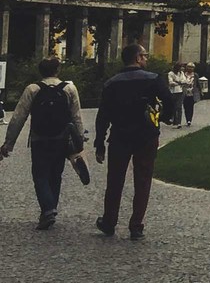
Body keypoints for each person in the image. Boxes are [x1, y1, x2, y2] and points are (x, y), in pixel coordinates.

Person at [94, 43, 175, 240]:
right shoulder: (153, 79)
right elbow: (170, 102)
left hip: (120, 136)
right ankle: (136, 225)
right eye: (145, 56)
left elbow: (103, 115)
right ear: (138, 58)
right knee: (143, 180)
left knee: (114, 181)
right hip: (146, 136)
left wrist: (99, 142)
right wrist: (162, 118)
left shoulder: (112, 83)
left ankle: (109, 222)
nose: (146, 59)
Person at [1, 57, 91, 230]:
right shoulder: (69, 88)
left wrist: (8, 143)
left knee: (40, 174)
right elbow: (76, 116)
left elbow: (18, 117)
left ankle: (47, 209)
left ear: (40, 71)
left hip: (39, 138)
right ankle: (51, 208)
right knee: (56, 175)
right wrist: (79, 140)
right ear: (58, 70)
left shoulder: (32, 89)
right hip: (62, 138)